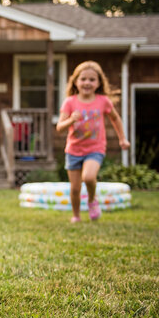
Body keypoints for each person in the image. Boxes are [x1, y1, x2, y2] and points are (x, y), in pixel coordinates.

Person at [56, 61, 130, 223]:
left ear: (98, 83)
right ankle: (76, 215)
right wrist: (70, 120)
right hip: (74, 149)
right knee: (75, 189)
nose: (87, 83)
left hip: (95, 148)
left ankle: (91, 200)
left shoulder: (103, 101)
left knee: (89, 177)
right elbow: (59, 127)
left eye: (92, 79)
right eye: (83, 79)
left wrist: (122, 138)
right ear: (76, 81)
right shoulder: (70, 102)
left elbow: (116, 119)